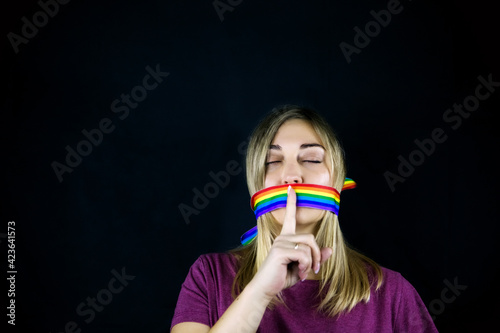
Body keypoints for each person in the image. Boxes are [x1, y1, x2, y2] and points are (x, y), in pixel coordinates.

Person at [170, 105, 438, 332]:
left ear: (337, 180)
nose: (291, 176)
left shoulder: (391, 293)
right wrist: (259, 292)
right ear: (256, 186)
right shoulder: (209, 277)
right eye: (272, 162)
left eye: (311, 159)